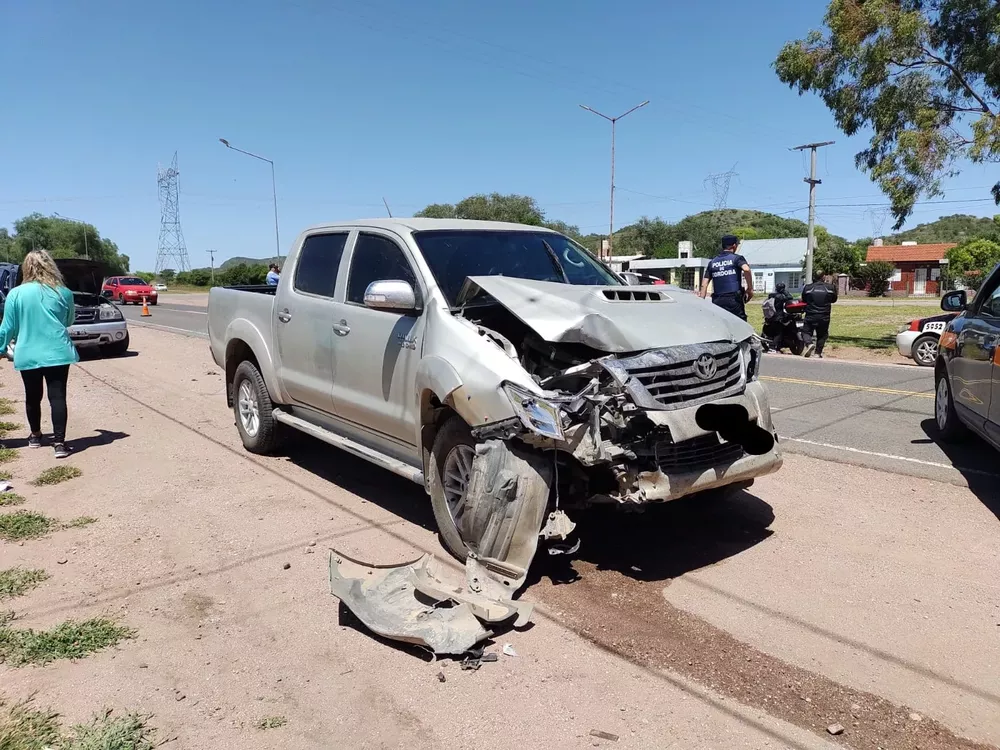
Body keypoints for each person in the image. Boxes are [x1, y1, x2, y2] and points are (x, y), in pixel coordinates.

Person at [0, 250, 79, 458]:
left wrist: (1, 348)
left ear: (26, 268)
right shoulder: (64, 292)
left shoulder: (16, 294)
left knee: (32, 395)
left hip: (28, 352)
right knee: (58, 396)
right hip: (58, 352)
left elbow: (7, 327)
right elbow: (69, 321)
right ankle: (60, 444)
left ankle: (35, 436)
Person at [700, 235, 753, 320]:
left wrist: (701, 303)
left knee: (721, 325)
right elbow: (746, 270)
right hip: (734, 299)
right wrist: (750, 289)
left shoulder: (712, 262)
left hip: (717, 300)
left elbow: (704, 284)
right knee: (739, 324)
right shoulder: (737, 258)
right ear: (734, 245)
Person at [800, 270, 839, 358]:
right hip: (824, 315)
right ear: (824, 277)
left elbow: (804, 299)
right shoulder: (830, 288)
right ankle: (818, 353)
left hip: (810, 314)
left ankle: (809, 344)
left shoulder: (808, 288)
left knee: (805, 332)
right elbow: (834, 300)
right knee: (822, 334)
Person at [763, 282, 794, 351]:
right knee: (778, 333)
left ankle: (773, 346)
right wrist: (784, 291)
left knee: (774, 331)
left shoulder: (771, 295)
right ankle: (772, 347)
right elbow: (790, 297)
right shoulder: (781, 296)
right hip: (778, 317)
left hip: (771, 316)